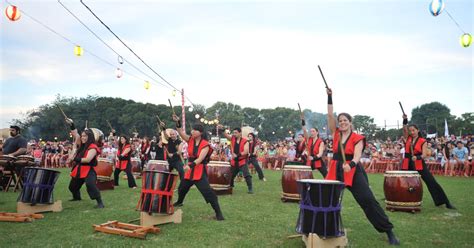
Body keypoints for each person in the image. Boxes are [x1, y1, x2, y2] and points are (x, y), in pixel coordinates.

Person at [325, 88, 399, 245]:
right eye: (341, 120)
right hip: (335, 168)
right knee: (327, 199)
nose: (342, 122)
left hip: (352, 170)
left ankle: (388, 231)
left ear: (350, 123)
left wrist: (350, 164)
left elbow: (357, 156)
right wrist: (330, 97)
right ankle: (326, 229)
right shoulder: (335, 133)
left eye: (345, 120)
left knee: (368, 200)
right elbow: (330, 115)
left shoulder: (358, 138)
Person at [171, 114, 224, 221]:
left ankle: (219, 214)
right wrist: (178, 121)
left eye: (195, 130)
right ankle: (180, 201)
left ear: (200, 132)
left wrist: (189, 166)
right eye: (192, 130)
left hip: (199, 170)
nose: (192, 131)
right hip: (190, 171)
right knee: (182, 188)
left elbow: (200, 159)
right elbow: (181, 132)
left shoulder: (205, 144)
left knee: (208, 192)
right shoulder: (189, 140)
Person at [401, 115, 455, 209]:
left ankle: (445, 202)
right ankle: (396, 197)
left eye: (414, 130)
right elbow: (404, 129)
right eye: (410, 131)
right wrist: (405, 120)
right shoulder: (408, 138)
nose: (412, 132)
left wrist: (417, 157)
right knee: (401, 182)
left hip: (418, 163)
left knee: (431, 182)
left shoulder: (423, 141)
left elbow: (424, 155)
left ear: (418, 130)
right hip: (407, 163)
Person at [65, 118, 104, 208]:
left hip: (89, 169)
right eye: (82, 136)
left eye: (85, 136)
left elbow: (87, 160)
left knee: (91, 185)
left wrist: (74, 158)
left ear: (90, 137)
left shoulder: (93, 147)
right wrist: (72, 124)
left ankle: (100, 202)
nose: (83, 137)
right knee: (72, 187)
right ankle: (77, 197)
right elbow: (75, 134)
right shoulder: (81, 143)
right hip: (79, 169)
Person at [219, 125, 253, 194]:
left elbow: (246, 151)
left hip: (242, 161)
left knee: (246, 175)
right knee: (230, 175)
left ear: (240, 133)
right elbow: (226, 135)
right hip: (234, 161)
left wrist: (237, 155)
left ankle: (250, 188)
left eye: (236, 132)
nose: (234, 134)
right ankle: (230, 186)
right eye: (233, 132)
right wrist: (222, 129)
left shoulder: (245, 141)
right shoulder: (232, 138)